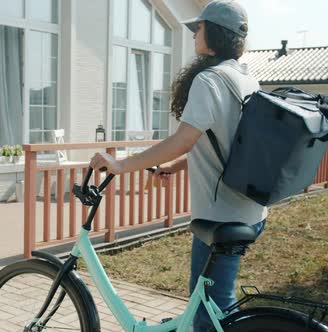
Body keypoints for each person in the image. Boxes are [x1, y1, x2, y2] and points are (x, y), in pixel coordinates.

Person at [89, 1, 267, 330]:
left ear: (213, 32)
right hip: (250, 212)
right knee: (207, 305)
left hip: (221, 218)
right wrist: (179, 166)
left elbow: (182, 139)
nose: (194, 33)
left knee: (209, 314)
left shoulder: (210, 80)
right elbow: (226, 143)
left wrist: (120, 165)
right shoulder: (245, 77)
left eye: (198, 27)